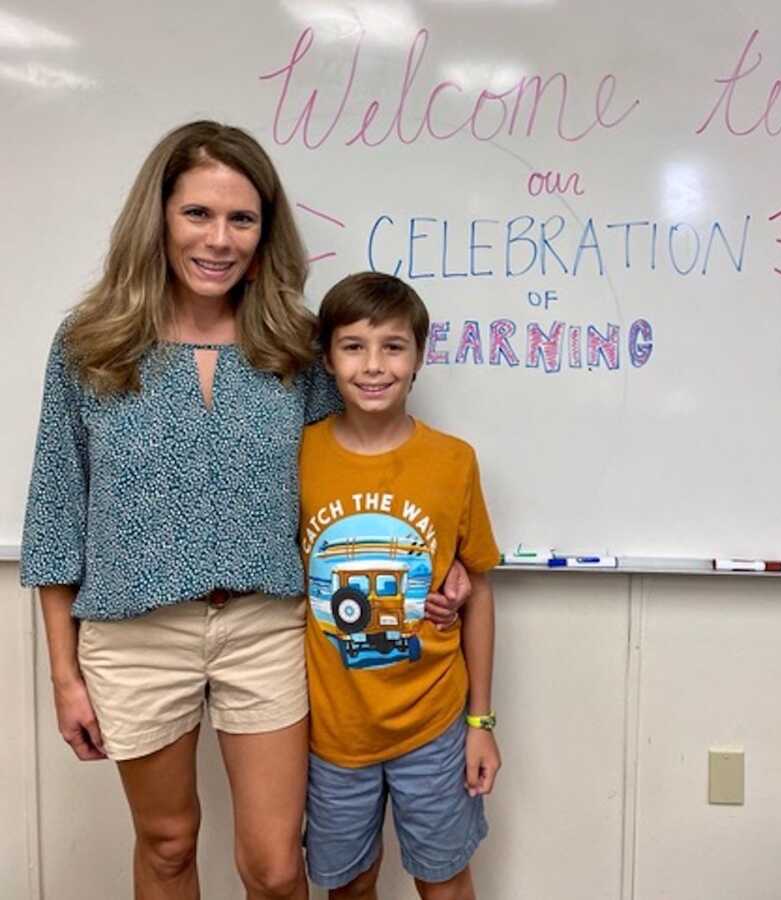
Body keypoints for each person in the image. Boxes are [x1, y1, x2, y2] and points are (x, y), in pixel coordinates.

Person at [20, 121, 465, 900]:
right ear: (157, 217)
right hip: (133, 637)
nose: (219, 239)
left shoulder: (295, 341)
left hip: (266, 629)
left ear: (265, 231)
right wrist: (64, 674)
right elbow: (57, 511)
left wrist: (442, 558)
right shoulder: (90, 343)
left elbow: (355, 467)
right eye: (198, 214)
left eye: (241, 218)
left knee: (273, 864)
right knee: (166, 845)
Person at [299, 271, 501, 900]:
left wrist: (481, 721)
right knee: (349, 884)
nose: (374, 365)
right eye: (353, 345)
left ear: (418, 358)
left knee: (443, 879)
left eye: (393, 346)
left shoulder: (453, 460)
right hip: (333, 729)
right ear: (327, 358)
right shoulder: (297, 455)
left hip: (435, 723)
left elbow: (482, 590)